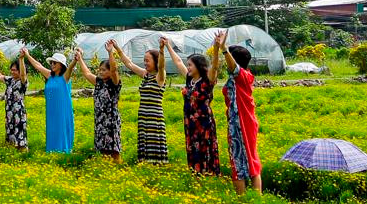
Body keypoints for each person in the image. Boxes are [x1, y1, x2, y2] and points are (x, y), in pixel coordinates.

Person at [163, 35, 220, 177]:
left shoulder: (207, 81)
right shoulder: (190, 79)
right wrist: (168, 45)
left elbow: (215, 65)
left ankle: (208, 174)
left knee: (204, 147)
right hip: (190, 122)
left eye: (190, 65)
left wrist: (217, 48)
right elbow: (177, 61)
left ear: (199, 66)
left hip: (203, 122)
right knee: (192, 148)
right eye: (187, 64)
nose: (187, 67)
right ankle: (196, 174)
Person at [214, 29, 262, 194]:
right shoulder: (236, 78)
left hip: (244, 123)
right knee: (239, 159)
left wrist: (224, 49)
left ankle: (250, 200)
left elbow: (233, 67)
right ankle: (249, 200)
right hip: (236, 123)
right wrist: (218, 47)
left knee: (248, 159)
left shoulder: (243, 76)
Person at [109, 37, 168, 164]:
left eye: (148, 61)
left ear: (156, 61)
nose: (145, 63)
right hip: (143, 116)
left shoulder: (160, 77)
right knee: (145, 142)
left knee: (154, 141)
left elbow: (162, 66)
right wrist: (117, 48)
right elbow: (128, 63)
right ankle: (145, 164)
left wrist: (162, 50)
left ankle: (157, 166)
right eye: (144, 61)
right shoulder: (145, 75)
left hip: (154, 117)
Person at [21, 47, 78, 153]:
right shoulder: (49, 75)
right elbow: (38, 66)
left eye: (54, 63)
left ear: (61, 65)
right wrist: (27, 55)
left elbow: (70, 67)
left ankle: (63, 150)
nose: (52, 65)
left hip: (62, 109)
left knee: (61, 128)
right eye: (51, 63)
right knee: (52, 128)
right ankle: (52, 150)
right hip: (51, 110)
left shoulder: (65, 77)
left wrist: (75, 59)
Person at [83, 44, 125, 161]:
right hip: (100, 120)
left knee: (113, 148)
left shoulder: (114, 84)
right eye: (99, 69)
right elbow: (86, 73)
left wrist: (110, 52)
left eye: (104, 70)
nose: (100, 72)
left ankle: (117, 167)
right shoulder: (99, 82)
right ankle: (106, 167)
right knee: (102, 148)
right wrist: (79, 59)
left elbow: (114, 69)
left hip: (110, 121)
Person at [0, 49, 30, 151]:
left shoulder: (23, 82)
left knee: (19, 132)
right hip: (9, 111)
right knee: (10, 131)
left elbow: (23, 75)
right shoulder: (10, 80)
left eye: (15, 70)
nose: (12, 71)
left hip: (18, 113)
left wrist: (21, 59)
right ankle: (11, 151)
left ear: (20, 71)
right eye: (12, 69)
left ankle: (23, 152)